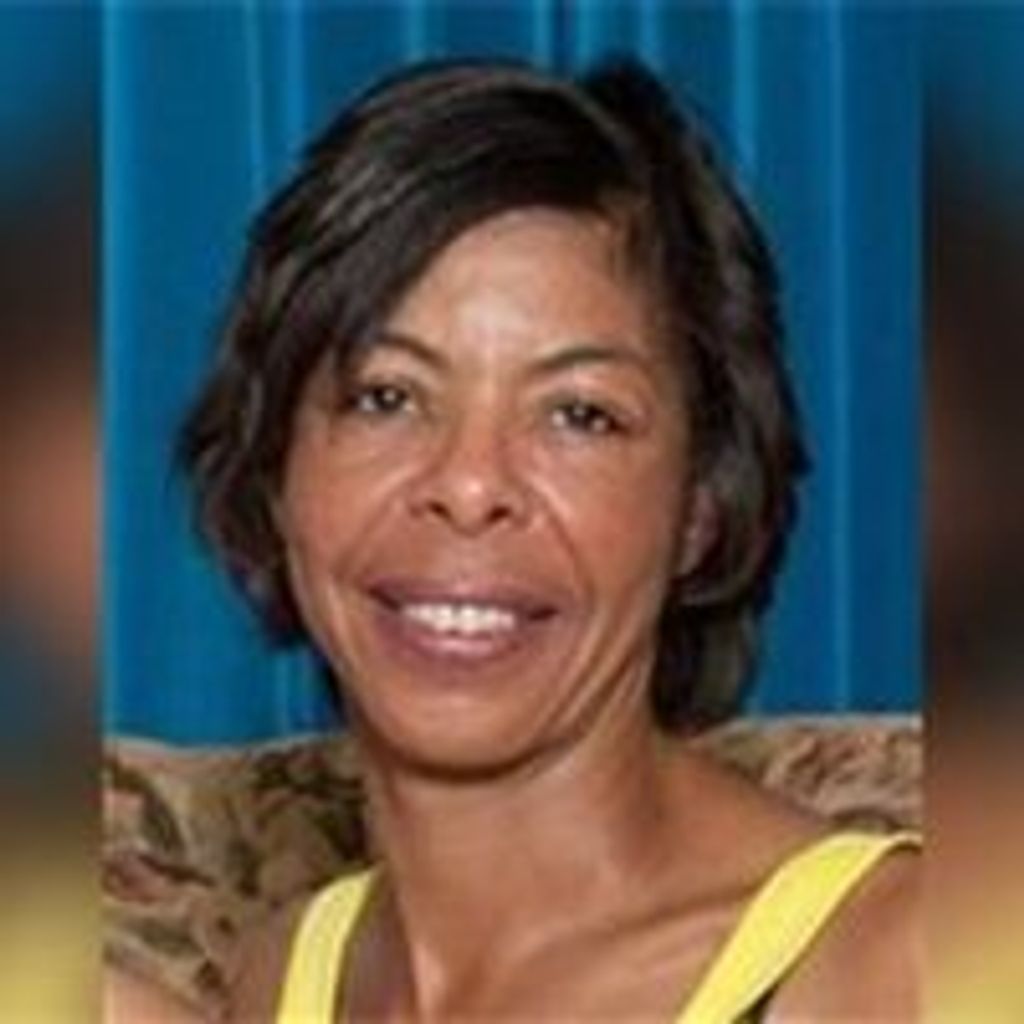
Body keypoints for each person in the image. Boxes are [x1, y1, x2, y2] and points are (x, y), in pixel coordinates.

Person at [181, 57, 920, 1022]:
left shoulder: (898, 961)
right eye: (386, 397)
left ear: (701, 507)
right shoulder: (283, 976)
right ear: (276, 472)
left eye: (580, 414)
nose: (469, 483)